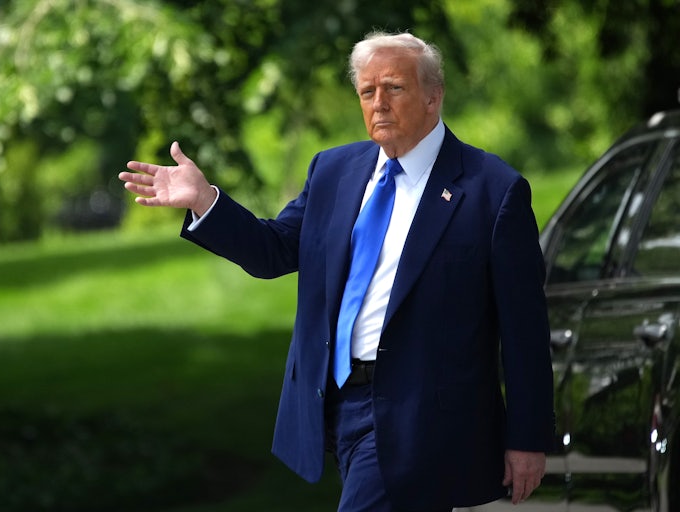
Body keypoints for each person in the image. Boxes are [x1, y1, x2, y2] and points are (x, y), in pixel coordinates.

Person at [119, 31, 555, 512]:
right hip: (338, 406)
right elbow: (274, 251)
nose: (379, 103)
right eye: (367, 92)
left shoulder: (492, 189)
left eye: (394, 88)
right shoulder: (333, 170)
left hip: (423, 420)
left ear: (434, 96)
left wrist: (527, 438)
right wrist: (206, 200)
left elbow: (525, 328)